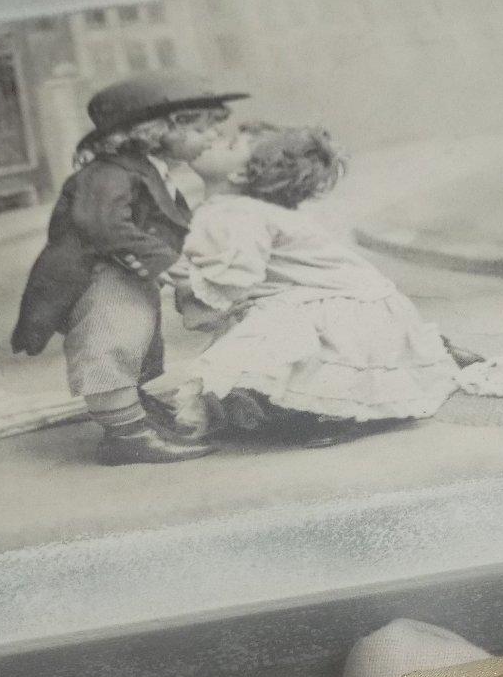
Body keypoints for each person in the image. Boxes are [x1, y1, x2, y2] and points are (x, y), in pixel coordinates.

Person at [151, 123, 464, 447]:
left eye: (229, 145)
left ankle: (331, 409)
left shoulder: (242, 214)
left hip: (346, 310)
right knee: (250, 363)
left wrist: (172, 271)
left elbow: (233, 281)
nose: (213, 138)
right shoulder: (227, 209)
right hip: (327, 303)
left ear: (241, 175)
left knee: (267, 353)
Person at [10, 72, 247, 465]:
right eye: (201, 129)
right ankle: (125, 435)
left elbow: (165, 225)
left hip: (123, 273)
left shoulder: (146, 169)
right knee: (111, 344)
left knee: (137, 342)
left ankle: (133, 413)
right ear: (157, 130)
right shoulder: (108, 173)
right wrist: (165, 262)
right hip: (96, 276)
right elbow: (101, 224)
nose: (211, 137)